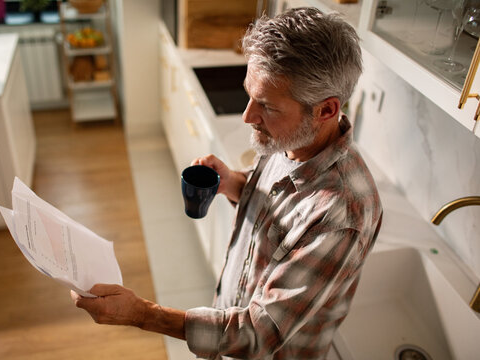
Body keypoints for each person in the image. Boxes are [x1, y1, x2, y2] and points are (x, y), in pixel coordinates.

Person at [71, 7, 382, 360]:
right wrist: (233, 183)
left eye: (266, 105)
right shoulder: (293, 138)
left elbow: (257, 334)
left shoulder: (342, 215)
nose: (248, 116)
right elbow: (280, 206)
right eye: (249, 94)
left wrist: (142, 314)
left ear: (326, 111)